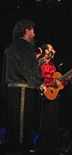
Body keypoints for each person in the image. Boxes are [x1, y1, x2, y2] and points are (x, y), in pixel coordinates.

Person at [4, 19, 43, 153]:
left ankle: (15, 147)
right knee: (22, 124)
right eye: (32, 30)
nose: (34, 33)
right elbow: (26, 69)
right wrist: (39, 84)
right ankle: (21, 149)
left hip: (12, 90)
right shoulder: (25, 47)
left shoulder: (11, 47)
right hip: (22, 91)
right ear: (26, 30)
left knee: (14, 122)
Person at [35, 43, 62, 155]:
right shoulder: (39, 61)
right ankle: (42, 147)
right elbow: (35, 76)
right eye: (51, 49)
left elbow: (57, 79)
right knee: (44, 120)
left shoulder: (53, 64)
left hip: (53, 94)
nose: (53, 51)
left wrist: (61, 82)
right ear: (45, 50)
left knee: (53, 121)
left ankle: (51, 147)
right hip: (42, 93)